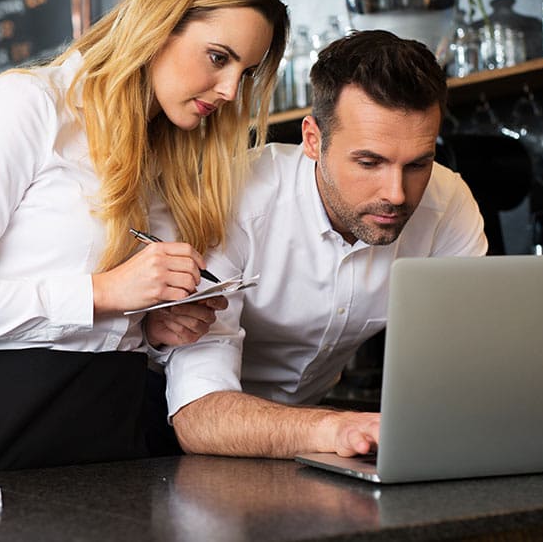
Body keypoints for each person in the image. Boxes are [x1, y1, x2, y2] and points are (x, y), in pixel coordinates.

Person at [0, 0, 290, 474]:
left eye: (244, 74)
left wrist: (153, 331)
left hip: (119, 436)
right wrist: (106, 292)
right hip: (2, 433)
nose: (227, 90)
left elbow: (107, 327)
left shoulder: (174, 154)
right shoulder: (28, 105)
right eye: (219, 57)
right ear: (159, 24)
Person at [147, 29, 488, 458]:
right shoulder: (233, 200)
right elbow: (199, 416)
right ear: (313, 140)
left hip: (312, 440)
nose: (397, 194)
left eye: (418, 164)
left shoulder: (447, 202)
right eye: (369, 162)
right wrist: (335, 428)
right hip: (167, 441)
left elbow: (467, 360)